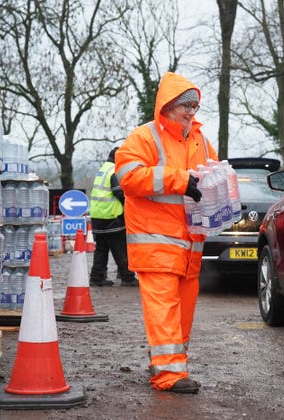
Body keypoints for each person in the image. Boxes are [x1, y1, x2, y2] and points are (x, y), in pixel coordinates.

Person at [115, 72, 218, 394]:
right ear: (168, 105)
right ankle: (169, 375)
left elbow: (210, 175)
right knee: (165, 308)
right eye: (185, 105)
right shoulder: (144, 137)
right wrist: (180, 180)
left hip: (189, 244)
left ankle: (170, 364)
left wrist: (223, 197)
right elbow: (128, 177)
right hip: (156, 241)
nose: (191, 112)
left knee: (183, 310)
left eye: (195, 106)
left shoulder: (200, 139)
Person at [89, 147, 138, 287]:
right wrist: (131, 207)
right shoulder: (114, 171)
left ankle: (97, 277)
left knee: (101, 249)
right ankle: (127, 277)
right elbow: (120, 193)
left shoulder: (103, 169)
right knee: (120, 248)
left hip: (98, 216)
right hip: (112, 216)